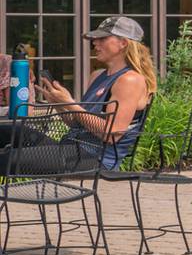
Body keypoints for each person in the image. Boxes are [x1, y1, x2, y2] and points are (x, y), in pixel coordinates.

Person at [6, 16, 156, 172]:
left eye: (102, 39)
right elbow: (76, 123)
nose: (95, 43)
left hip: (95, 160)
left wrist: (70, 103)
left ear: (123, 43)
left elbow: (112, 135)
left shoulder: (130, 80)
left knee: (5, 160)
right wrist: (60, 103)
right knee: (7, 130)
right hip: (71, 148)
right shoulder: (98, 75)